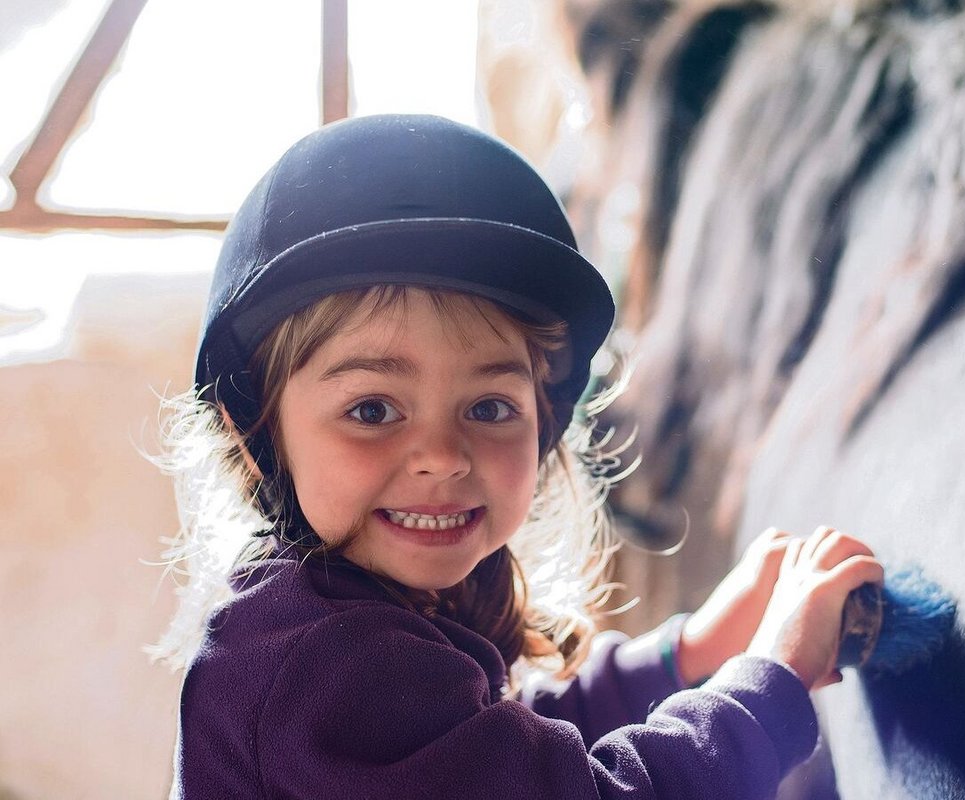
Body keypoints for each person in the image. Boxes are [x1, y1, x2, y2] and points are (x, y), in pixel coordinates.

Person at [154, 113, 882, 799]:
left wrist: (683, 654)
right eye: (372, 410)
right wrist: (774, 677)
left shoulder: (347, 618)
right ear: (255, 435)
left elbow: (503, 752)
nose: (442, 455)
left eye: (489, 408)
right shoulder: (324, 665)